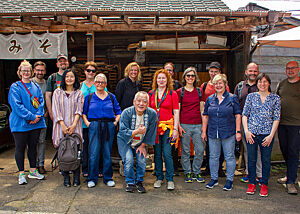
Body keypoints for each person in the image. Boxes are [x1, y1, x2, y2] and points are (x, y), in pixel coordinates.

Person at [201, 74, 241, 191]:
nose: (218, 85)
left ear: (225, 84)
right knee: (213, 156)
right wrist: (204, 131)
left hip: (228, 132)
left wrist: (238, 131)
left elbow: (238, 115)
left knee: (229, 156)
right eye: (216, 83)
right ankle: (214, 179)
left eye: (220, 83)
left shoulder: (232, 98)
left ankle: (229, 180)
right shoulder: (210, 99)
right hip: (213, 132)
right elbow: (205, 116)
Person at [8, 60, 46, 185]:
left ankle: (33, 170)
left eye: (28, 70)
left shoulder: (35, 86)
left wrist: (38, 116)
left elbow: (41, 101)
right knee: (20, 147)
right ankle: (21, 173)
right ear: (20, 72)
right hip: (20, 123)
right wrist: (30, 116)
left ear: (31, 72)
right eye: (23, 70)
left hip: (35, 122)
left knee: (33, 147)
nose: (26, 73)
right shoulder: (16, 87)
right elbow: (16, 105)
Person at [243, 73, 280, 197]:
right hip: (252, 134)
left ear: (269, 83)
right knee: (251, 159)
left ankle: (264, 184)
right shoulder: (251, 97)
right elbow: (245, 115)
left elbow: (276, 118)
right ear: (257, 83)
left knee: (265, 160)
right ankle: (252, 183)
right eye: (260, 82)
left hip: (266, 135)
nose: (262, 84)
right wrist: (246, 131)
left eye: (265, 82)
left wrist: (271, 135)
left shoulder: (275, 98)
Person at [82, 73, 122, 188]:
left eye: (102, 82)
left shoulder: (111, 96)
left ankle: (108, 177)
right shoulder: (89, 97)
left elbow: (118, 111)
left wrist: (115, 122)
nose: (100, 84)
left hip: (109, 125)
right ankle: (92, 178)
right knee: (93, 153)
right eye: (98, 82)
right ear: (95, 84)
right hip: (94, 125)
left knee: (107, 153)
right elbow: (84, 113)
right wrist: (88, 124)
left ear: (105, 84)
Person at [117, 91, 157, 193]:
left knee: (142, 161)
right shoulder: (126, 113)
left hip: (141, 142)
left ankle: (139, 181)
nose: (141, 104)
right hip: (126, 141)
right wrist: (137, 131)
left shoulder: (152, 114)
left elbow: (151, 131)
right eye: (138, 101)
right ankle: (130, 182)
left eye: (144, 101)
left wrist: (143, 145)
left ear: (147, 104)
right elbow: (122, 131)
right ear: (134, 102)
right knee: (129, 160)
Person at [52, 69, 84, 187]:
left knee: (75, 152)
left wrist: (74, 124)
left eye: (72, 77)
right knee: (63, 152)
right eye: (67, 77)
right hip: (61, 127)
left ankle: (76, 177)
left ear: (75, 79)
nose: (69, 79)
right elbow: (56, 109)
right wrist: (62, 125)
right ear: (64, 79)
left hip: (74, 126)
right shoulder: (57, 92)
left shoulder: (78, 93)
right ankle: (65, 177)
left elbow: (79, 110)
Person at [148, 69, 179, 190]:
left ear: (168, 80)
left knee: (167, 153)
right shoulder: (151, 94)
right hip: (155, 128)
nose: (161, 80)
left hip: (168, 128)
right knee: (157, 154)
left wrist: (175, 129)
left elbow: (176, 112)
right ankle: (159, 177)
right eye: (159, 78)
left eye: (163, 78)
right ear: (156, 80)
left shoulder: (172, 94)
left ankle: (170, 179)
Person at [200, 62, 230, 177]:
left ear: (220, 73)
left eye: (215, 71)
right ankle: (208, 167)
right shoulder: (204, 86)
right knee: (209, 146)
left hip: (222, 120)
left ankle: (219, 168)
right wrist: (203, 119)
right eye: (211, 71)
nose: (213, 73)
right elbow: (202, 103)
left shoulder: (224, 85)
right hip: (209, 119)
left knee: (221, 145)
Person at [234, 62, 262, 183]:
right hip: (244, 122)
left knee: (259, 149)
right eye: (251, 71)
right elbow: (235, 105)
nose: (253, 73)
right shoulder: (240, 86)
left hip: (259, 123)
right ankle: (249, 173)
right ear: (246, 72)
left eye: (255, 71)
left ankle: (259, 174)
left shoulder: (262, 85)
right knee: (246, 149)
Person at [176, 67, 205, 183]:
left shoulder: (199, 91)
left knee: (200, 149)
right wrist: (178, 126)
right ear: (184, 78)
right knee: (185, 151)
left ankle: (197, 172)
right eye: (188, 76)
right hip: (185, 124)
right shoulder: (180, 92)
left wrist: (204, 126)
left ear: (195, 78)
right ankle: (187, 172)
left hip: (198, 124)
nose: (190, 78)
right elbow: (177, 110)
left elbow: (202, 109)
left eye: (192, 76)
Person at [276, 61, 300, 195]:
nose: (290, 70)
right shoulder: (282, 84)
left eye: (293, 68)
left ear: (298, 69)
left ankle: (290, 181)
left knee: (293, 151)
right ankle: (290, 174)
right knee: (284, 149)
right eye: (288, 68)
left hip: (296, 124)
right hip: (282, 123)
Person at [80, 61, 98, 177]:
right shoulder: (80, 85)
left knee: (97, 145)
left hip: (97, 120)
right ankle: (85, 168)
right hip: (83, 120)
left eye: (93, 71)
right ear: (85, 72)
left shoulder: (99, 84)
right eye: (88, 70)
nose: (90, 73)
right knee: (85, 145)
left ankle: (97, 168)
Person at [164, 62, 182, 175]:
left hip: (173, 118)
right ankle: (163, 168)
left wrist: (178, 122)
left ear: (173, 72)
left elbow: (179, 105)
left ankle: (175, 168)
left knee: (173, 145)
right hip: (162, 120)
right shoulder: (160, 83)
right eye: (167, 70)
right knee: (162, 146)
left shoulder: (177, 85)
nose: (169, 72)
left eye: (170, 70)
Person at [31, 61, 48, 174]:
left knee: (42, 140)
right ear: (34, 71)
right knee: (32, 141)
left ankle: (41, 163)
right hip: (31, 117)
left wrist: (47, 111)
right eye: (38, 70)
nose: (40, 72)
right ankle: (33, 165)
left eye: (42, 70)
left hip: (43, 116)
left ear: (45, 71)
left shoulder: (47, 83)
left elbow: (49, 99)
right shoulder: (30, 83)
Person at [45, 54, 69, 121]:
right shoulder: (52, 78)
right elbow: (48, 96)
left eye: (65, 61)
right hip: (56, 111)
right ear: (57, 64)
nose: (63, 63)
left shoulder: (72, 77)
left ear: (68, 63)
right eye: (60, 61)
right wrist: (51, 112)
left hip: (69, 111)